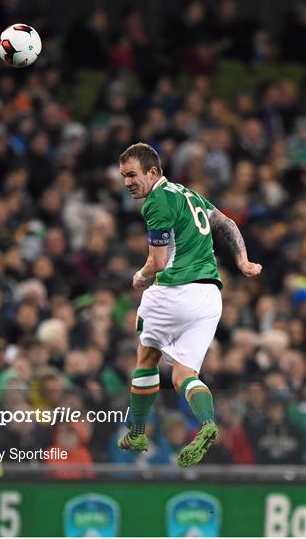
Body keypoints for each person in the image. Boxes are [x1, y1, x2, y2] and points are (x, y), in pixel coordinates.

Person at [117, 142, 262, 466]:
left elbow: (157, 262)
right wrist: (242, 261)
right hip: (210, 297)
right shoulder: (189, 194)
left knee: (147, 355)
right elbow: (227, 223)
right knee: (184, 374)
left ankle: (137, 431)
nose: (127, 182)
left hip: (175, 292)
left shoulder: (157, 202)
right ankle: (208, 423)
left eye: (131, 174)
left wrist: (140, 276)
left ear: (153, 172)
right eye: (123, 176)